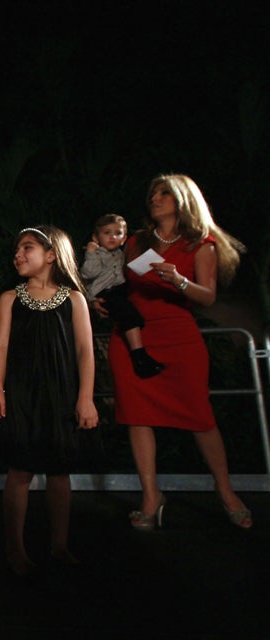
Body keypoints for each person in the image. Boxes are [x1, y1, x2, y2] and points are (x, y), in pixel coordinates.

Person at [101, 174, 251, 530]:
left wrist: (178, 281)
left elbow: (208, 297)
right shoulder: (136, 241)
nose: (155, 197)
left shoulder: (202, 244)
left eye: (164, 192)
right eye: (152, 192)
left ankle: (226, 491)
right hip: (133, 334)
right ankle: (151, 496)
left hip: (178, 335)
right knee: (137, 414)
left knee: (199, 414)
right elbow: (123, 285)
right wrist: (107, 304)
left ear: (183, 199)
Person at [0, 225, 99, 577]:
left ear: (51, 255)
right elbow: (1, 346)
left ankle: (59, 545)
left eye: (27, 248)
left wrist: (86, 398)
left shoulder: (73, 299)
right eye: (16, 249)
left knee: (59, 470)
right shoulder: (9, 298)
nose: (18, 254)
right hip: (22, 393)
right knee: (19, 469)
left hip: (62, 393)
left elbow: (85, 350)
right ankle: (14, 548)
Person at [81, 213, 164, 378]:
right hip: (105, 293)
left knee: (130, 313)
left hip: (121, 291)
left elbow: (131, 271)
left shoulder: (121, 254)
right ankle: (139, 356)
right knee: (129, 315)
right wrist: (91, 253)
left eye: (117, 233)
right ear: (96, 237)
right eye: (107, 233)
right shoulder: (95, 254)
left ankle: (140, 356)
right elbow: (87, 274)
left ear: (124, 238)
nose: (112, 236)